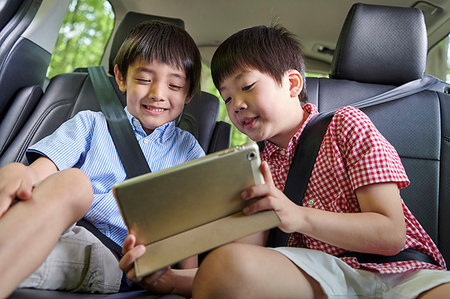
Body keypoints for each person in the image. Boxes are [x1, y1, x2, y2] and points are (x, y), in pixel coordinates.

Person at [190, 24, 450, 298]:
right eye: (227, 97)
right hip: (320, 275)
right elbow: (244, 259)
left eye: (247, 86)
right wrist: (172, 279)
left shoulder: (346, 125)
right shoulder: (253, 167)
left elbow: (391, 234)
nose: (236, 105)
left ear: (292, 84)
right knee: (225, 265)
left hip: (402, 270)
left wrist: (298, 216)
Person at [0, 20, 203, 298]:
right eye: (144, 79)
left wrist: (179, 283)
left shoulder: (189, 153)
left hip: (111, 253)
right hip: (51, 219)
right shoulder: (89, 124)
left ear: (189, 92)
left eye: (175, 85)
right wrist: (17, 174)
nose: (157, 94)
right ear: (121, 78)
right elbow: (38, 175)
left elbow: (189, 233)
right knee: (74, 180)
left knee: (28, 249)